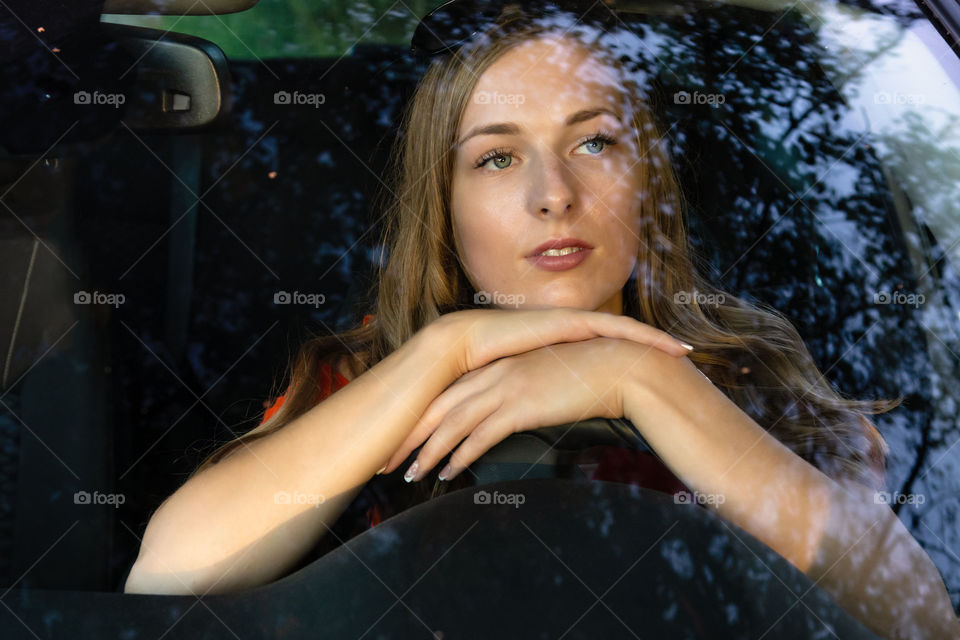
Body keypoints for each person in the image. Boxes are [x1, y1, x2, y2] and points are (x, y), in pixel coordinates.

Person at [124, 2, 959, 637]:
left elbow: (918, 618)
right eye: (496, 156)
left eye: (594, 143)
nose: (553, 193)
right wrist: (442, 353)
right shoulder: (364, 378)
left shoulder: (758, 381)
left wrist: (642, 380)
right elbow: (164, 578)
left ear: (648, 185)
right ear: (443, 208)